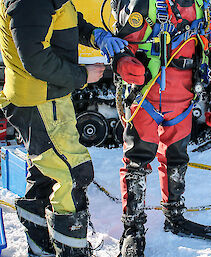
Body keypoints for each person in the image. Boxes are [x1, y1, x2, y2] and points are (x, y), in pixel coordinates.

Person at [0, 0, 127, 256]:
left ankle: (41, 249)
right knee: (72, 174)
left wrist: (95, 35)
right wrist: (82, 75)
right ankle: (72, 251)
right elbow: (34, 58)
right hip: (40, 100)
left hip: (49, 98)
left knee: (45, 174)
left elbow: (66, 21)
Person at [110, 0, 211, 256]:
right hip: (145, 98)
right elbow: (122, 44)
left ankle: (174, 214)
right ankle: (133, 229)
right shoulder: (146, 6)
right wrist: (122, 62)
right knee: (136, 162)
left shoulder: (202, 8)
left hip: (183, 102)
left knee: (177, 158)